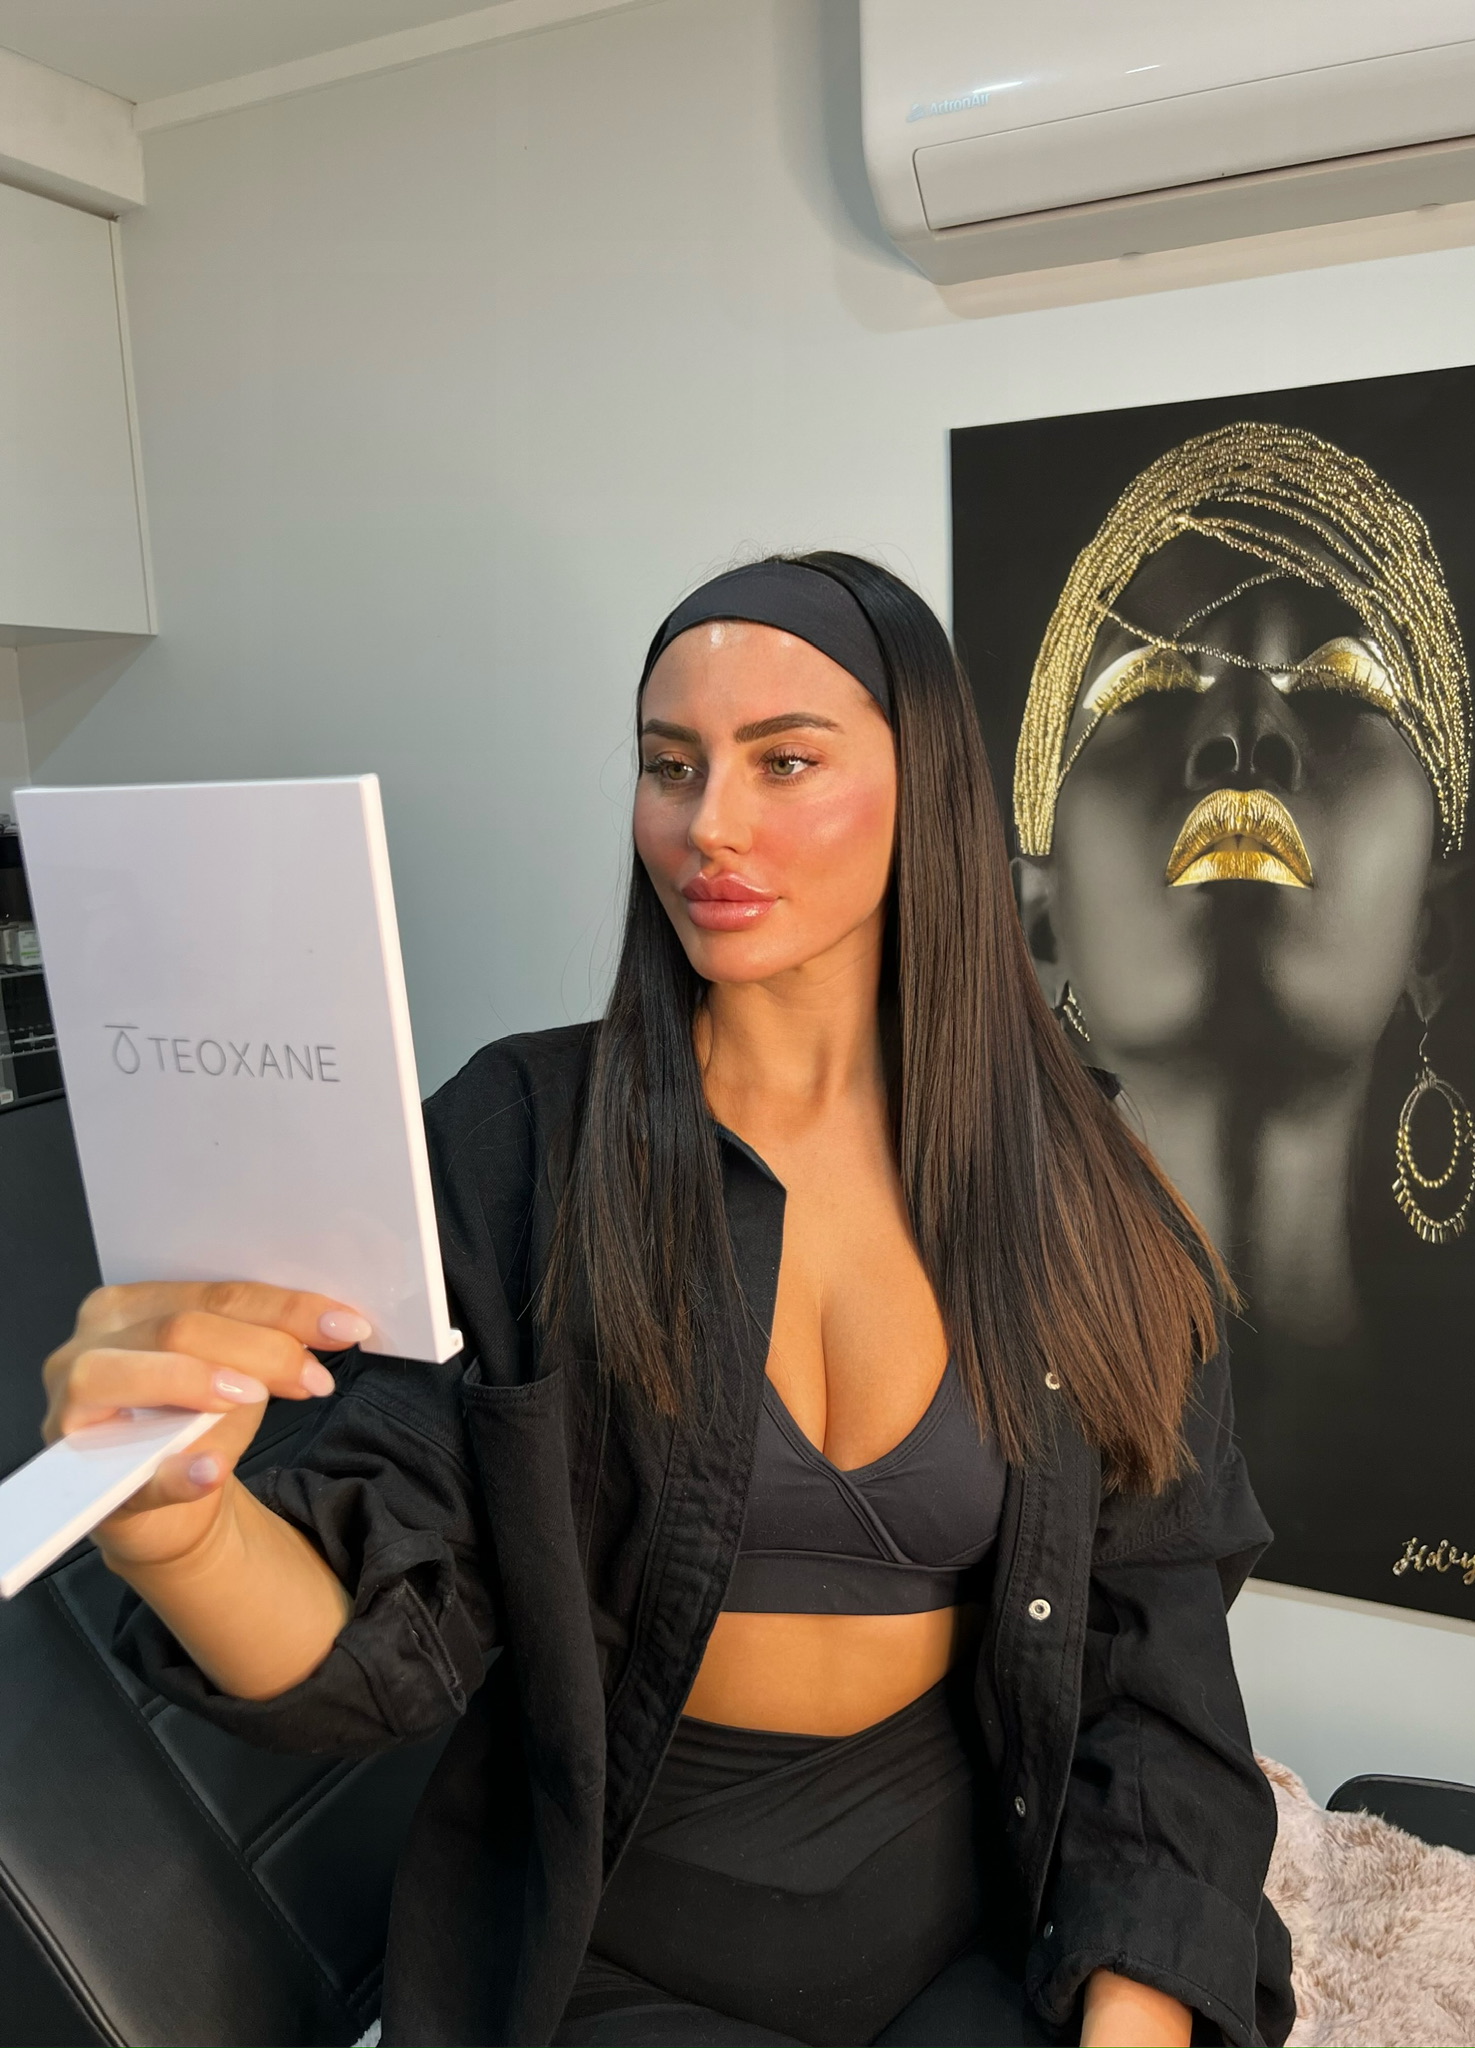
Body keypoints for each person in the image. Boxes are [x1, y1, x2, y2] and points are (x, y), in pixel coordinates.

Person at [43, 554, 1291, 2048]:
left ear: (929, 793)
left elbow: (1156, 1668)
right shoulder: (518, 1144)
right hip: (619, 1946)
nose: (709, 824)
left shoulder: (1082, 1183)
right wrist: (175, 1525)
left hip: (973, 1927)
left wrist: (1132, 2021)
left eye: (785, 761)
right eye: (670, 765)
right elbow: (385, 1639)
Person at [1008, 424, 1475, 1594]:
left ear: (1434, 935)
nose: (1244, 737)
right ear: (1037, 922)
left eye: (1339, 687)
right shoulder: (956, 1396)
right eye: (1149, 684)